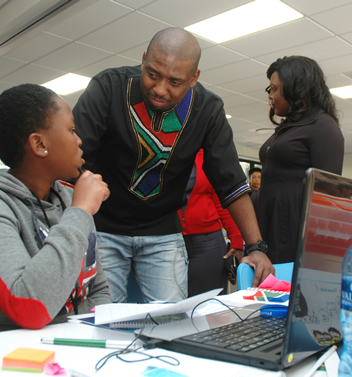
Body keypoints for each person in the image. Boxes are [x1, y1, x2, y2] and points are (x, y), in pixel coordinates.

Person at [73, 27, 274, 303]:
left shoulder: (208, 110)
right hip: (104, 227)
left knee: (171, 323)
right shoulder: (109, 87)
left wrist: (256, 246)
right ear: (143, 59)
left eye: (174, 82)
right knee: (101, 320)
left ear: (194, 78)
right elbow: (73, 159)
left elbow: (230, 183)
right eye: (152, 74)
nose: (159, 89)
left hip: (162, 232)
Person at [0, 83, 111, 336]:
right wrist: (80, 212)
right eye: (71, 130)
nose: (79, 140)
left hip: (69, 349)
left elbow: (98, 290)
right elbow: (28, 308)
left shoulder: (71, 200)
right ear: (39, 144)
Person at [255, 56, 344, 264]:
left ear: (296, 88)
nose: (271, 96)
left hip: (293, 232)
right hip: (269, 223)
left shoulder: (323, 126)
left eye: (275, 89)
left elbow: (327, 196)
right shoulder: (289, 126)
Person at [179, 150, 243, 297]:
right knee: (172, 305)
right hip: (169, 240)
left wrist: (236, 238)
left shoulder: (207, 156)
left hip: (207, 243)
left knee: (209, 304)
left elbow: (221, 201)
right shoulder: (162, 153)